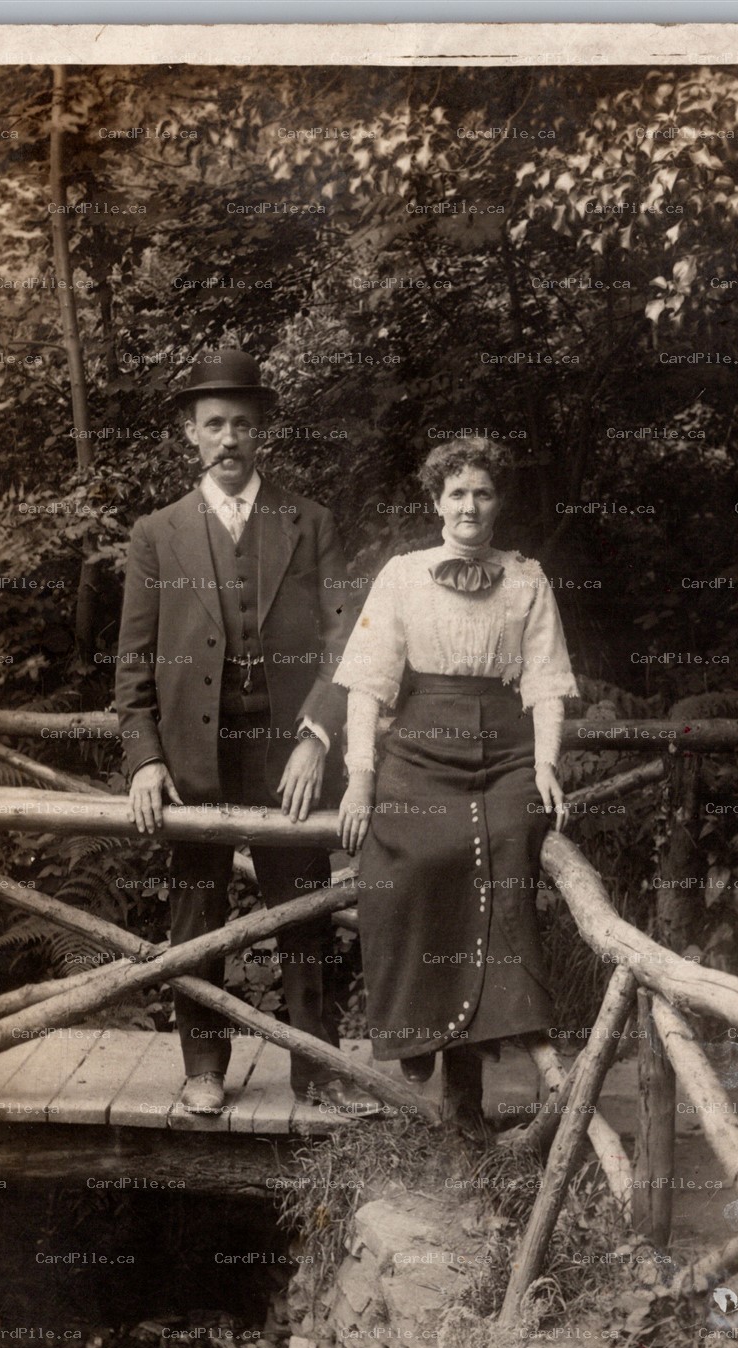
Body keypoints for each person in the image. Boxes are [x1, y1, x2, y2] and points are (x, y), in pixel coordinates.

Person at [115, 347, 381, 1117]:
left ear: (260, 433)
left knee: (301, 909)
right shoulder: (157, 534)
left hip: (287, 755)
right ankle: (203, 1066)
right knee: (196, 913)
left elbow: (348, 644)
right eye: (213, 425)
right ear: (190, 435)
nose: (227, 438)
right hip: (193, 759)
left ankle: (316, 1068)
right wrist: (144, 758)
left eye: (241, 424)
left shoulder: (310, 522)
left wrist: (317, 736)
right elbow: (132, 662)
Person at [334, 437, 578, 1124]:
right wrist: (359, 780)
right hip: (421, 749)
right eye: (457, 493)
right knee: (413, 860)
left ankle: (533, 1049)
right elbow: (367, 686)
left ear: (497, 502)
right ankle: (420, 1036)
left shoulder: (527, 580)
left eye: (482, 493)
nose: (469, 506)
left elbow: (546, 683)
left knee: (506, 845)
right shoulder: (402, 576)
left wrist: (545, 764)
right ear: (436, 501)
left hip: (504, 749)